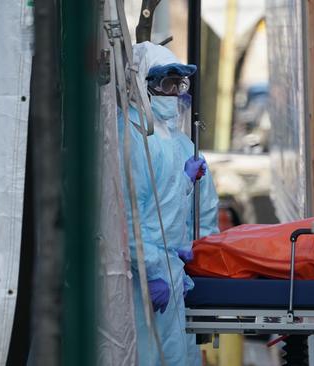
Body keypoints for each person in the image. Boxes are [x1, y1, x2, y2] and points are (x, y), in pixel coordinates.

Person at [117, 41, 211, 366]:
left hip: (167, 269)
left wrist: (184, 182)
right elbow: (127, 220)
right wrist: (153, 270)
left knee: (175, 356)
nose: (172, 94)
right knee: (147, 355)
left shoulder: (164, 137)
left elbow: (159, 202)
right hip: (142, 276)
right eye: (164, 84)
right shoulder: (132, 135)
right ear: (142, 84)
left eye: (178, 85)